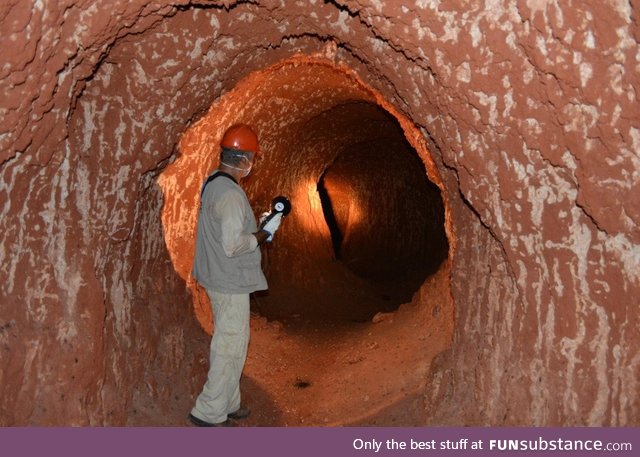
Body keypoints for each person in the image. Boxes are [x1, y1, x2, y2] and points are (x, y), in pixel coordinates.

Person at [188, 124, 283, 427]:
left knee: (235, 341)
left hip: (218, 275)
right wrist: (261, 234)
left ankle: (229, 402)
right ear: (244, 159)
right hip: (227, 281)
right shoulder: (229, 194)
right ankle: (208, 412)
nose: (251, 164)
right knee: (228, 344)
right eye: (252, 158)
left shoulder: (214, 183)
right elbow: (233, 244)